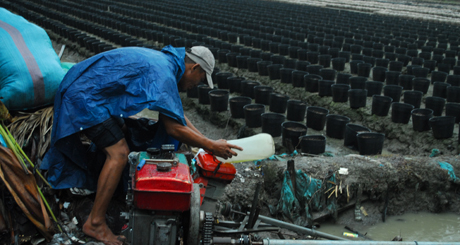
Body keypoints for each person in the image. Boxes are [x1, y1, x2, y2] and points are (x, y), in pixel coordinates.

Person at [42, 45, 242, 245]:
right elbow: (174, 128)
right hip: (85, 97)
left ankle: (109, 194)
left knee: (124, 133)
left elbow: (176, 115)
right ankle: (95, 223)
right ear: (194, 67)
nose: (195, 86)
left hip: (89, 92)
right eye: (199, 80)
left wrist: (208, 143)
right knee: (119, 153)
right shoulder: (165, 73)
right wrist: (211, 145)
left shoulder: (167, 64)